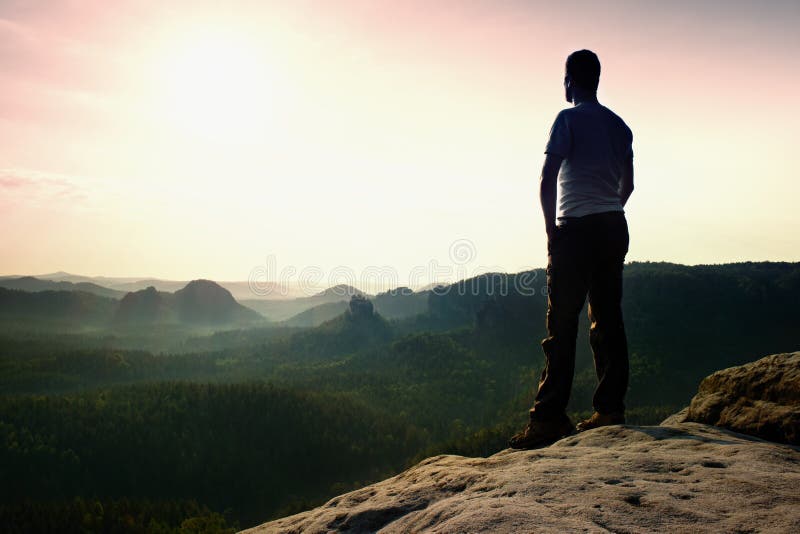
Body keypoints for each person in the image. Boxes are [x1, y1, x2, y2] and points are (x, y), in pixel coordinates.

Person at [509, 49, 634, 449]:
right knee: (608, 320)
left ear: (570, 81)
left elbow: (547, 178)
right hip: (614, 226)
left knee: (562, 325)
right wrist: (608, 211)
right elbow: (627, 186)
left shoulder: (567, 119)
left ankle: (548, 419)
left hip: (576, 229)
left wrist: (552, 231)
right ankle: (610, 409)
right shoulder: (620, 127)